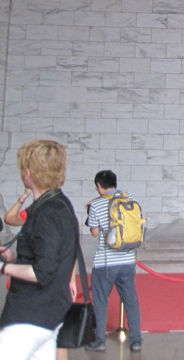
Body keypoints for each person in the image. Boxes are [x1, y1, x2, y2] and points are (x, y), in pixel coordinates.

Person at [0, 140, 79, 360]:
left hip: (30, 315)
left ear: (28, 173)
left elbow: (41, 272)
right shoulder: (60, 204)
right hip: (49, 314)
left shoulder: (47, 212)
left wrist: (4, 268)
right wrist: (13, 257)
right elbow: (50, 255)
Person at [4, 187, 71, 360]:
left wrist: (4, 267)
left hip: (32, 306)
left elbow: (9, 218)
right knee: (56, 340)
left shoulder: (43, 211)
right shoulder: (63, 207)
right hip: (53, 300)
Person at [85, 170, 143, 353]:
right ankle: (136, 341)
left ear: (98, 187)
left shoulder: (97, 206)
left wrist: (90, 207)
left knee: (101, 302)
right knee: (131, 300)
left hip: (106, 262)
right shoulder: (129, 199)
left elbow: (94, 232)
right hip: (127, 259)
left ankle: (99, 340)